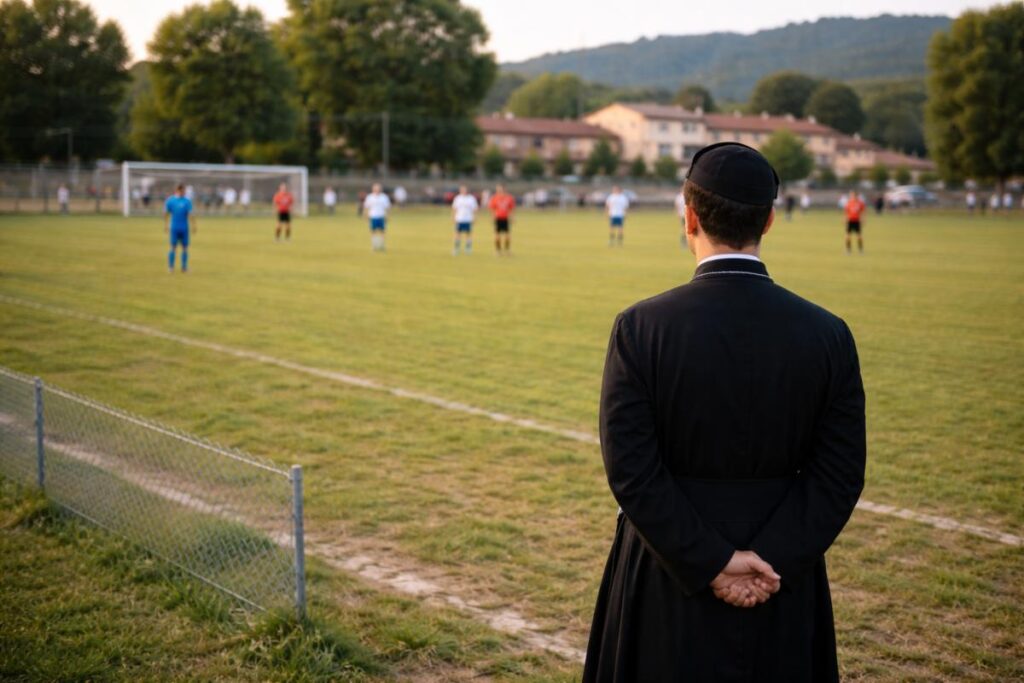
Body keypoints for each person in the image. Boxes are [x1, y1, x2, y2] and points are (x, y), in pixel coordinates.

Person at [584, 142, 865, 682]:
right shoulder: (828, 334)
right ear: (770, 220)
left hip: (667, 575)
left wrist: (709, 561)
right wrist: (769, 560)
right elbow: (839, 473)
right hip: (782, 577)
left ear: (689, 217)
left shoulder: (641, 328)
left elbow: (632, 470)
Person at [164, 184, 195, 274]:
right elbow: (166, 213)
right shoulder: (171, 201)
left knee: (185, 248)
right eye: (183, 191)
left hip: (184, 228)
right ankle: (171, 267)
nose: (184, 192)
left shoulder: (187, 201)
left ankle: (184, 267)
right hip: (174, 227)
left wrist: (193, 225)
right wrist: (166, 225)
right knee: (173, 247)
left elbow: (190, 214)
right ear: (178, 190)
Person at [488, 184, 516, 255]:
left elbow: (511, 208)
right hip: (498, 218)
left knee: (508, 236)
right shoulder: (494, 198)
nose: (499, 190)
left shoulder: (509, 198)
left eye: (500, 189)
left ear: (504, 189)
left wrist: (512, 217)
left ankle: (507, 250)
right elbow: (492, 208)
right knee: (497, 236)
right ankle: (498, 250)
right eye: (498, 189)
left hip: (506, 218)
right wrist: (492, 217)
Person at [451, 185, 479, 255]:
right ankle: (456, 249)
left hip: (468, 219)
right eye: (462, 190)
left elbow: (475, 209)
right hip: (459, 219)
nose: (464, 191)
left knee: (468, 234)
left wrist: (474, 217)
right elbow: (454, 208)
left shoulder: (471, 198)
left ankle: (468, 249)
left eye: (465, 190)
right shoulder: (457, 198)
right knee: (457, 234)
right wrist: (453, 217)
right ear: (460, 190)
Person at [363, 183, 391, 252]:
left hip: (381, 216)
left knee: (382, 231)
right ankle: (374, 246)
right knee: (373, 231)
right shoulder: (370, 197)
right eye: (376, 188)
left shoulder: (384, 197)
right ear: (373, 189)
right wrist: (365, 215)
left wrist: (388, 215)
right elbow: (366, 207)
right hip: (373, 216)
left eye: (378, 188)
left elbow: (387, 207)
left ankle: (382, 245)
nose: (377, 190)